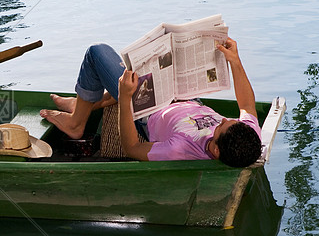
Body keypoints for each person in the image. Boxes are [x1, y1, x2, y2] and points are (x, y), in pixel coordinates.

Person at [40, 38, 262, 167]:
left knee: (97, 53)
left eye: (222, 126)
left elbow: (132, 147)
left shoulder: (181, 149)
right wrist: (235, 60)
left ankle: (76, 122)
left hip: (148, 108)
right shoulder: (247, 136)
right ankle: (86, 104)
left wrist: (126, 98)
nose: (224, 119)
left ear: (214, 150)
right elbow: (247, 106)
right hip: (185, 98)